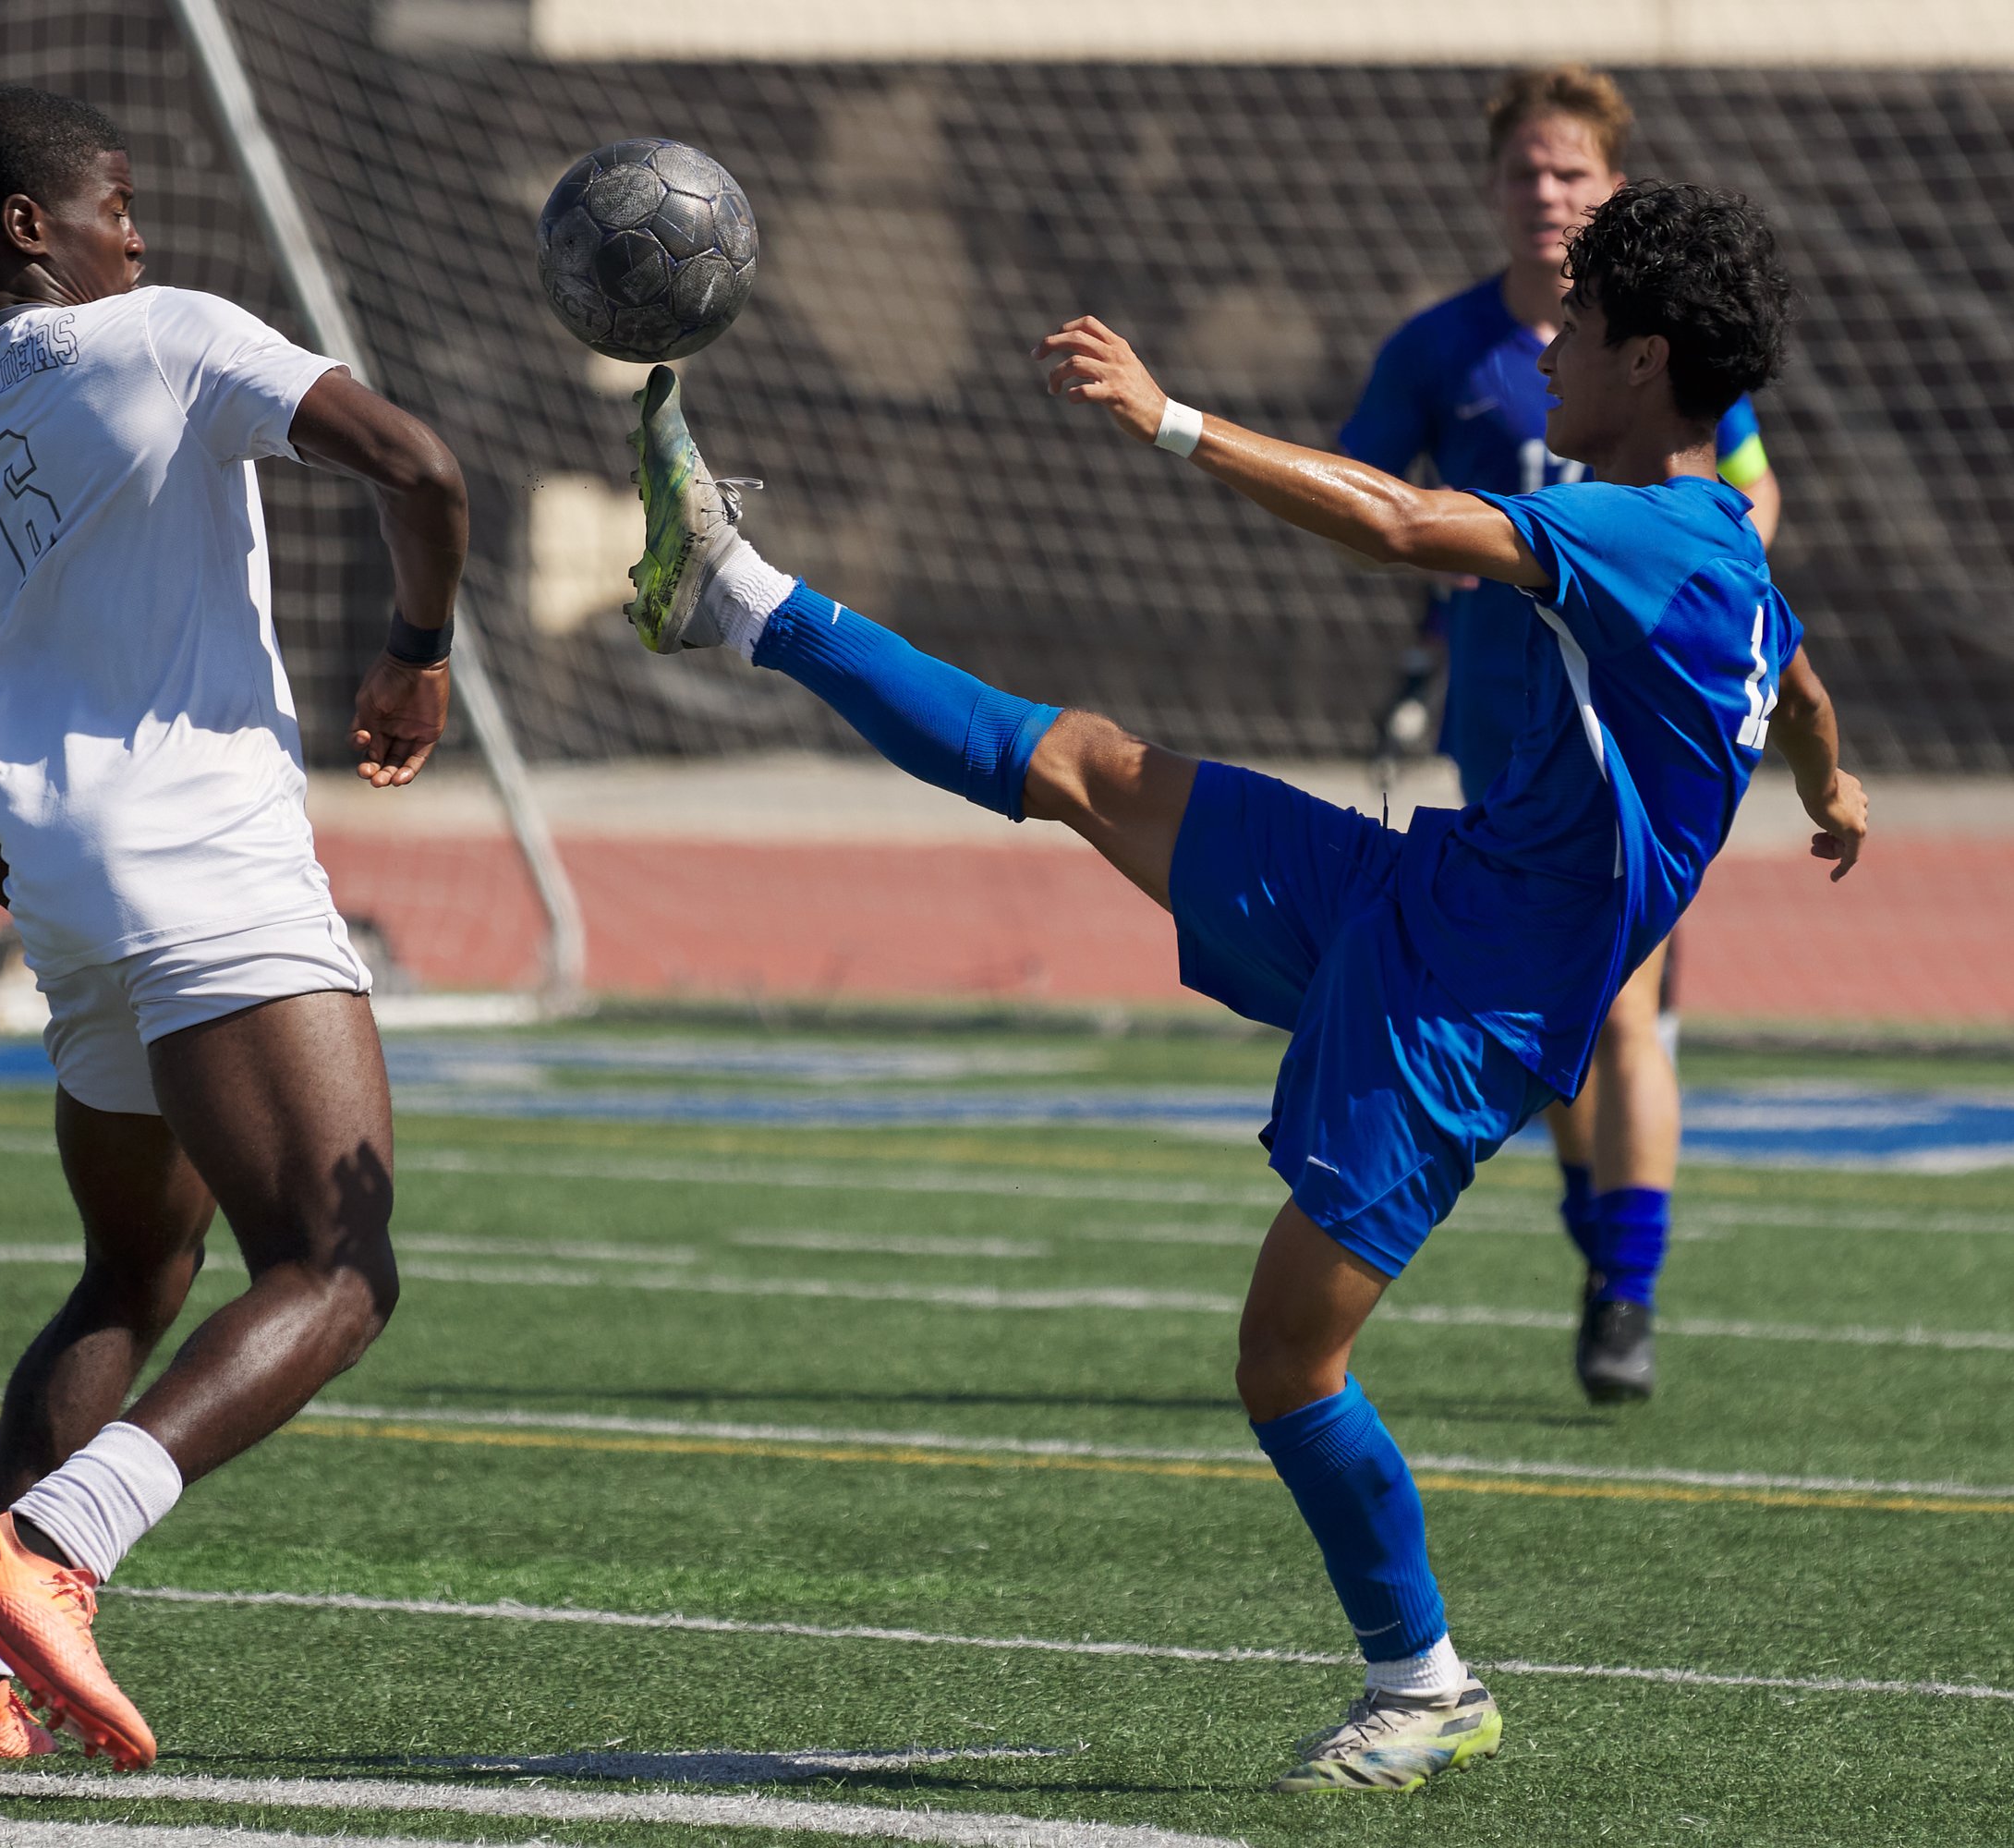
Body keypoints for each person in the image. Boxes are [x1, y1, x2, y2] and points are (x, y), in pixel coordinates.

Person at [612, 180, 1862, 1790]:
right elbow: (1809, 684)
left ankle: (1425, 1687)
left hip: (1462, 1017)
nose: (1550, 333)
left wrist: (1169, 419)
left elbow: (1409, 527)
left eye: (1583, 318)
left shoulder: (1650, 535)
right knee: (1078, 761)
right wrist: (1830, 790)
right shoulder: (1726, 558)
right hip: (1420, 893)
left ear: (1651, 358)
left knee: (1286, 1363)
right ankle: (738, 595)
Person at [0, 86, 466, 1769]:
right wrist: (418, 647)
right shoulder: (170, 334)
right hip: (210, 866)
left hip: (68, 902)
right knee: (338, 1272)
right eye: (117, 201)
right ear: (28, 230)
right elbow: (423, 466)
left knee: (130, 1270)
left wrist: (69, 901)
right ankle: (46, 1550)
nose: (142, 231)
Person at [1341, 66, 1783, 1402]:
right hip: (1505, 731)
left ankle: (1625, 1295)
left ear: (1610, 188)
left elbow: (1750, 502)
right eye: (1527, 172)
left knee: (1626, 1004)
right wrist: (1450, 587)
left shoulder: (1657, 341)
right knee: (1565, 1023)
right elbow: (1373, 496)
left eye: (1573, 173)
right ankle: (1605, 1258)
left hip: (1634, 736)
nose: (1549, 193)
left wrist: (1676, 593)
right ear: (1492, 191)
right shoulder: (1443, 350)